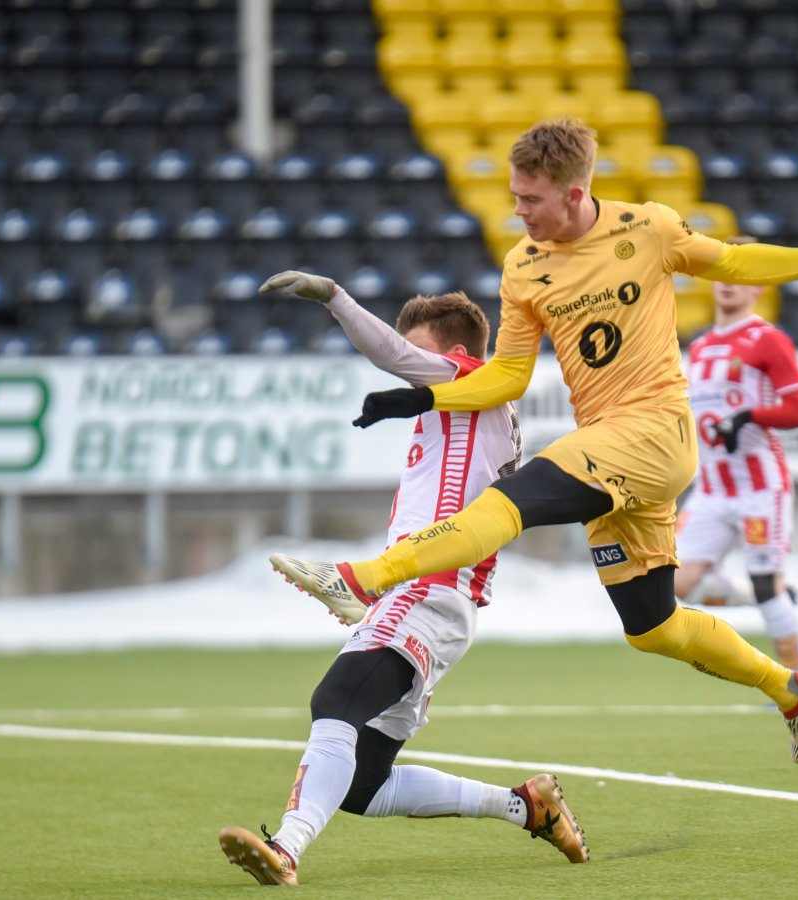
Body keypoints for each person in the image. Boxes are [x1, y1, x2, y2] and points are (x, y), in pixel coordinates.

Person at [268, 117, 798, 765]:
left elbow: (734, 261)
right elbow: (510, 375)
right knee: (653, 627)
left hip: (656, 431)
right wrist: (425, 396)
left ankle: (363, 577)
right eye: (516, 196)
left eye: (531, 199)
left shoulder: (647, 228)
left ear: (574, 193)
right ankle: (792, 688)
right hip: (608, 445)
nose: (519, 211)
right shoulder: (523, 267)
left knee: (510, 500)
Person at [219, 273, 587, 887]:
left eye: (417, 356)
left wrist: (334, 297)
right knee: (364, 782)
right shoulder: (460, 413)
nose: (406, 371)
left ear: (452, 355)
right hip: (437, 596)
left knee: (334, 702)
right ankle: (527, 805)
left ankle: (285, 850)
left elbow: (390, 353)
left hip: (430, 588)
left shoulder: (469, 378)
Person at [673, 235, 798, 669]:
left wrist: (749, 415)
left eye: (741, 274)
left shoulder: (768, 340)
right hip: (713, 489)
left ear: (759, 285)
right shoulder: (698, 346)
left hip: (760, 488)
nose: (728, 283)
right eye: (722, 272)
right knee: (674, 584)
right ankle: (763, 593)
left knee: (765, 582)